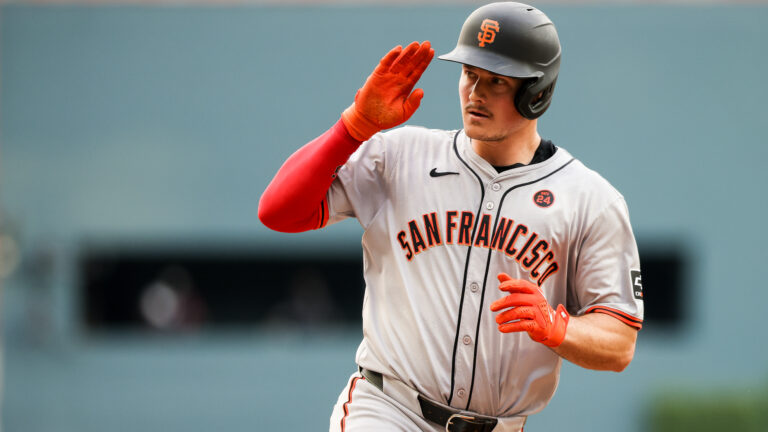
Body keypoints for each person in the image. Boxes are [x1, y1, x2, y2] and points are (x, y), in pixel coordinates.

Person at [258, 2, 644, 431]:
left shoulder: (590, 199)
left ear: (537, 92)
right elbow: (279, 212)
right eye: (469, 74)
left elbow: (619, 344)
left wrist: (558, 328)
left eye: (496, 80)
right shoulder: (400, 155)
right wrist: (353, 127)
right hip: (389, 410)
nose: (475, 92)